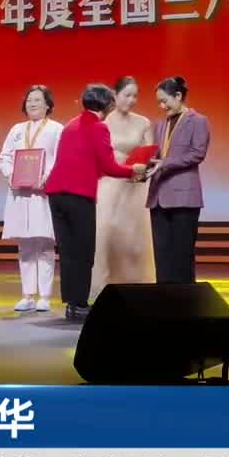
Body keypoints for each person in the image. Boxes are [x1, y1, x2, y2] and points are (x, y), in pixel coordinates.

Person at [43, 84, 146, 321]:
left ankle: (72, 304)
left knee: (68, 252)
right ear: (107, 105)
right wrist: (134, 169)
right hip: (78, 195)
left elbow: (86, 162)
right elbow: (109, 166)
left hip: (56, 195)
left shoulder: (70, 124)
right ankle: (80, 304)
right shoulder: (99, 127)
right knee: (83, 252)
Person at [0, 85, 64, 312]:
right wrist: (10, 174)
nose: (32, 104)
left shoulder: (56, 129)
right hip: (19, 193)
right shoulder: (16, 129)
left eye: (37, 100)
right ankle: (27, 295)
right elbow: (4, 157)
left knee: (44, 244)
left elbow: (60, 159)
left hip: (43, 193)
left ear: (48, 105)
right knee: (25, 245)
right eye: (29, 100)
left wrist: (46, 177)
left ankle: (44, 296)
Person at [91, 76, 156, 300]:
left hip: (134, 186)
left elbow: (150, 152)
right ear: (115, 95)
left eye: (135, 96)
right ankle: (103, 286)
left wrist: (144, 166)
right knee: (106, 234)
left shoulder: (143, 122)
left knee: (134, 238)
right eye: (127, 95)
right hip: (109, 184)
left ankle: (137, 286)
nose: (131, 100)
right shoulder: (103, 122)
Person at [146, 76, 211, 284]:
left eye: (164, 101)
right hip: (158, 197)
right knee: (162, 257)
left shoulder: (198, 121)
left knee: (182, 256)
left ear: (178, 96)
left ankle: (185, 298)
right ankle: (164, 297)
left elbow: (197, 154)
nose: (161, 106)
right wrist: (143, 167)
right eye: (159, 102)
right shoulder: (159, 125)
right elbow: (156, 156)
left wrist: (164, 163)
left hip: (184, 198)